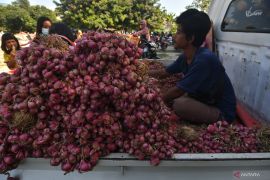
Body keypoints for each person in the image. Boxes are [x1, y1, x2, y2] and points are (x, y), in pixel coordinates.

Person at [149, 9, 236, 124]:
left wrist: (154, 103)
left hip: (221, 112)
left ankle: (219, 120)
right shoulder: (185, 57)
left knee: (179, 104)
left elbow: (178, 91)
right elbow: (165, 72)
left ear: (190, 38)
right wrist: (140, 71)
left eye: (179, 32)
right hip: (205, 101)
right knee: (174, 98)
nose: (174, 36)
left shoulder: (204, 59)